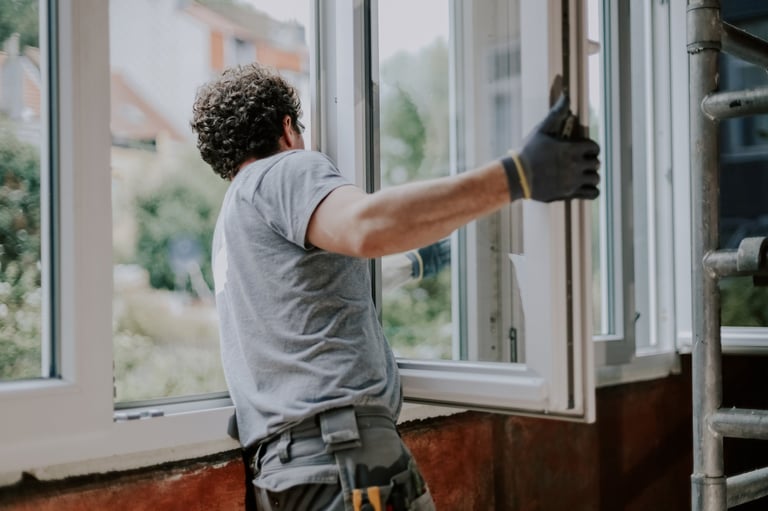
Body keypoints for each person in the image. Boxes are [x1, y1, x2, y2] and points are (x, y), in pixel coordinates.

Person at [191, 63, 599, 511]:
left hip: (286, 475)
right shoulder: (284, 171)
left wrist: (422, 259)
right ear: (287, 128)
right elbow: (365, 227)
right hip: (340, 461)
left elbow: (310, 299)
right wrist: (519, 176)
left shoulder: (231, 225)